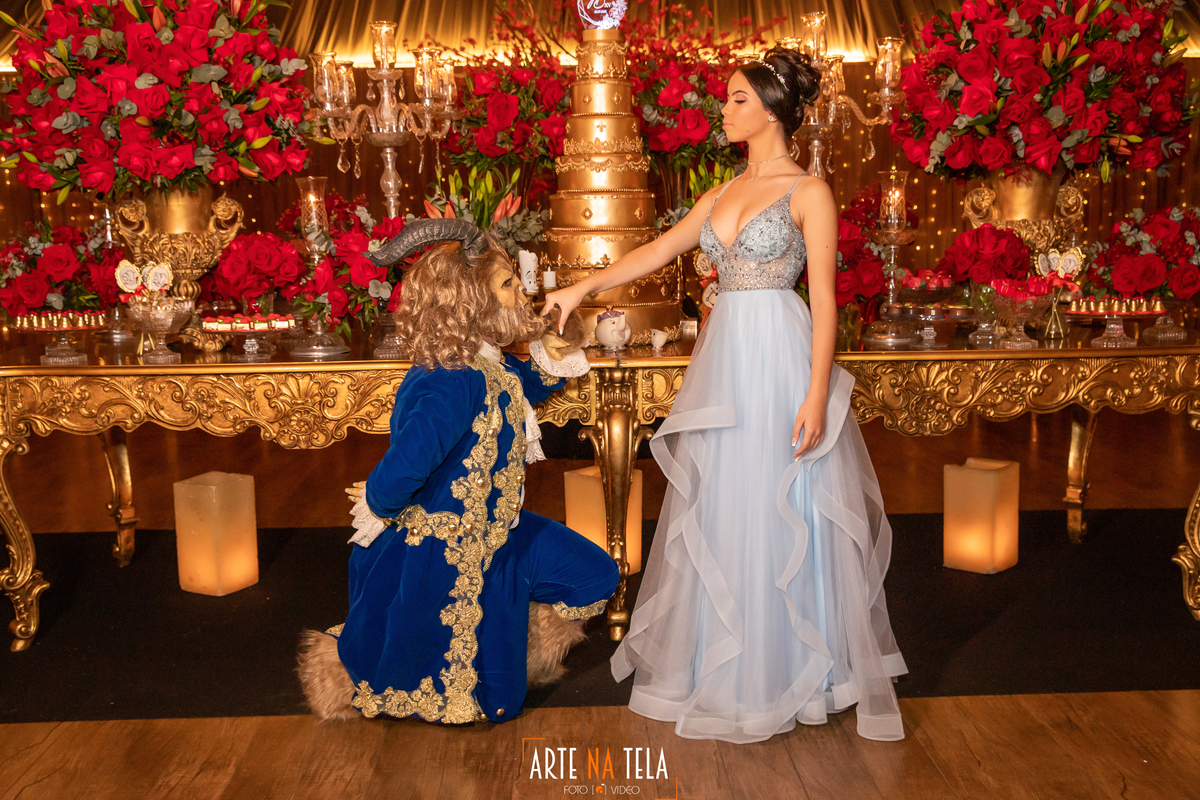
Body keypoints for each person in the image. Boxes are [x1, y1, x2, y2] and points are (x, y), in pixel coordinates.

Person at [545, 47, 907, 744]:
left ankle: (796, 671)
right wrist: (580, 287)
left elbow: (825, 302)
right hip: (728, 359)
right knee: (729, 501)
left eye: (738, 98)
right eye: (727, 97)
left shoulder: (809, 192)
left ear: (772, 110)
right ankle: (728, 667)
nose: (724, 109)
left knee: (785, 502)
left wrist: (815, 394)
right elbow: (656, 251)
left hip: (780, 357)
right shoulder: (720, 194)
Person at [298, 218, 619, 725]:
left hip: (502, 532)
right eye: (508, 284)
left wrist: (555, 347)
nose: (521, 293)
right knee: (499, 702)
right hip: (450, 548)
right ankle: (362, 668)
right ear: (471, 300)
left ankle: (518, 639)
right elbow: (411, 459)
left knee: (594, 574)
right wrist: (379, 501)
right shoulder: (451, 379)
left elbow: (520, 384)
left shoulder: (488, 362)